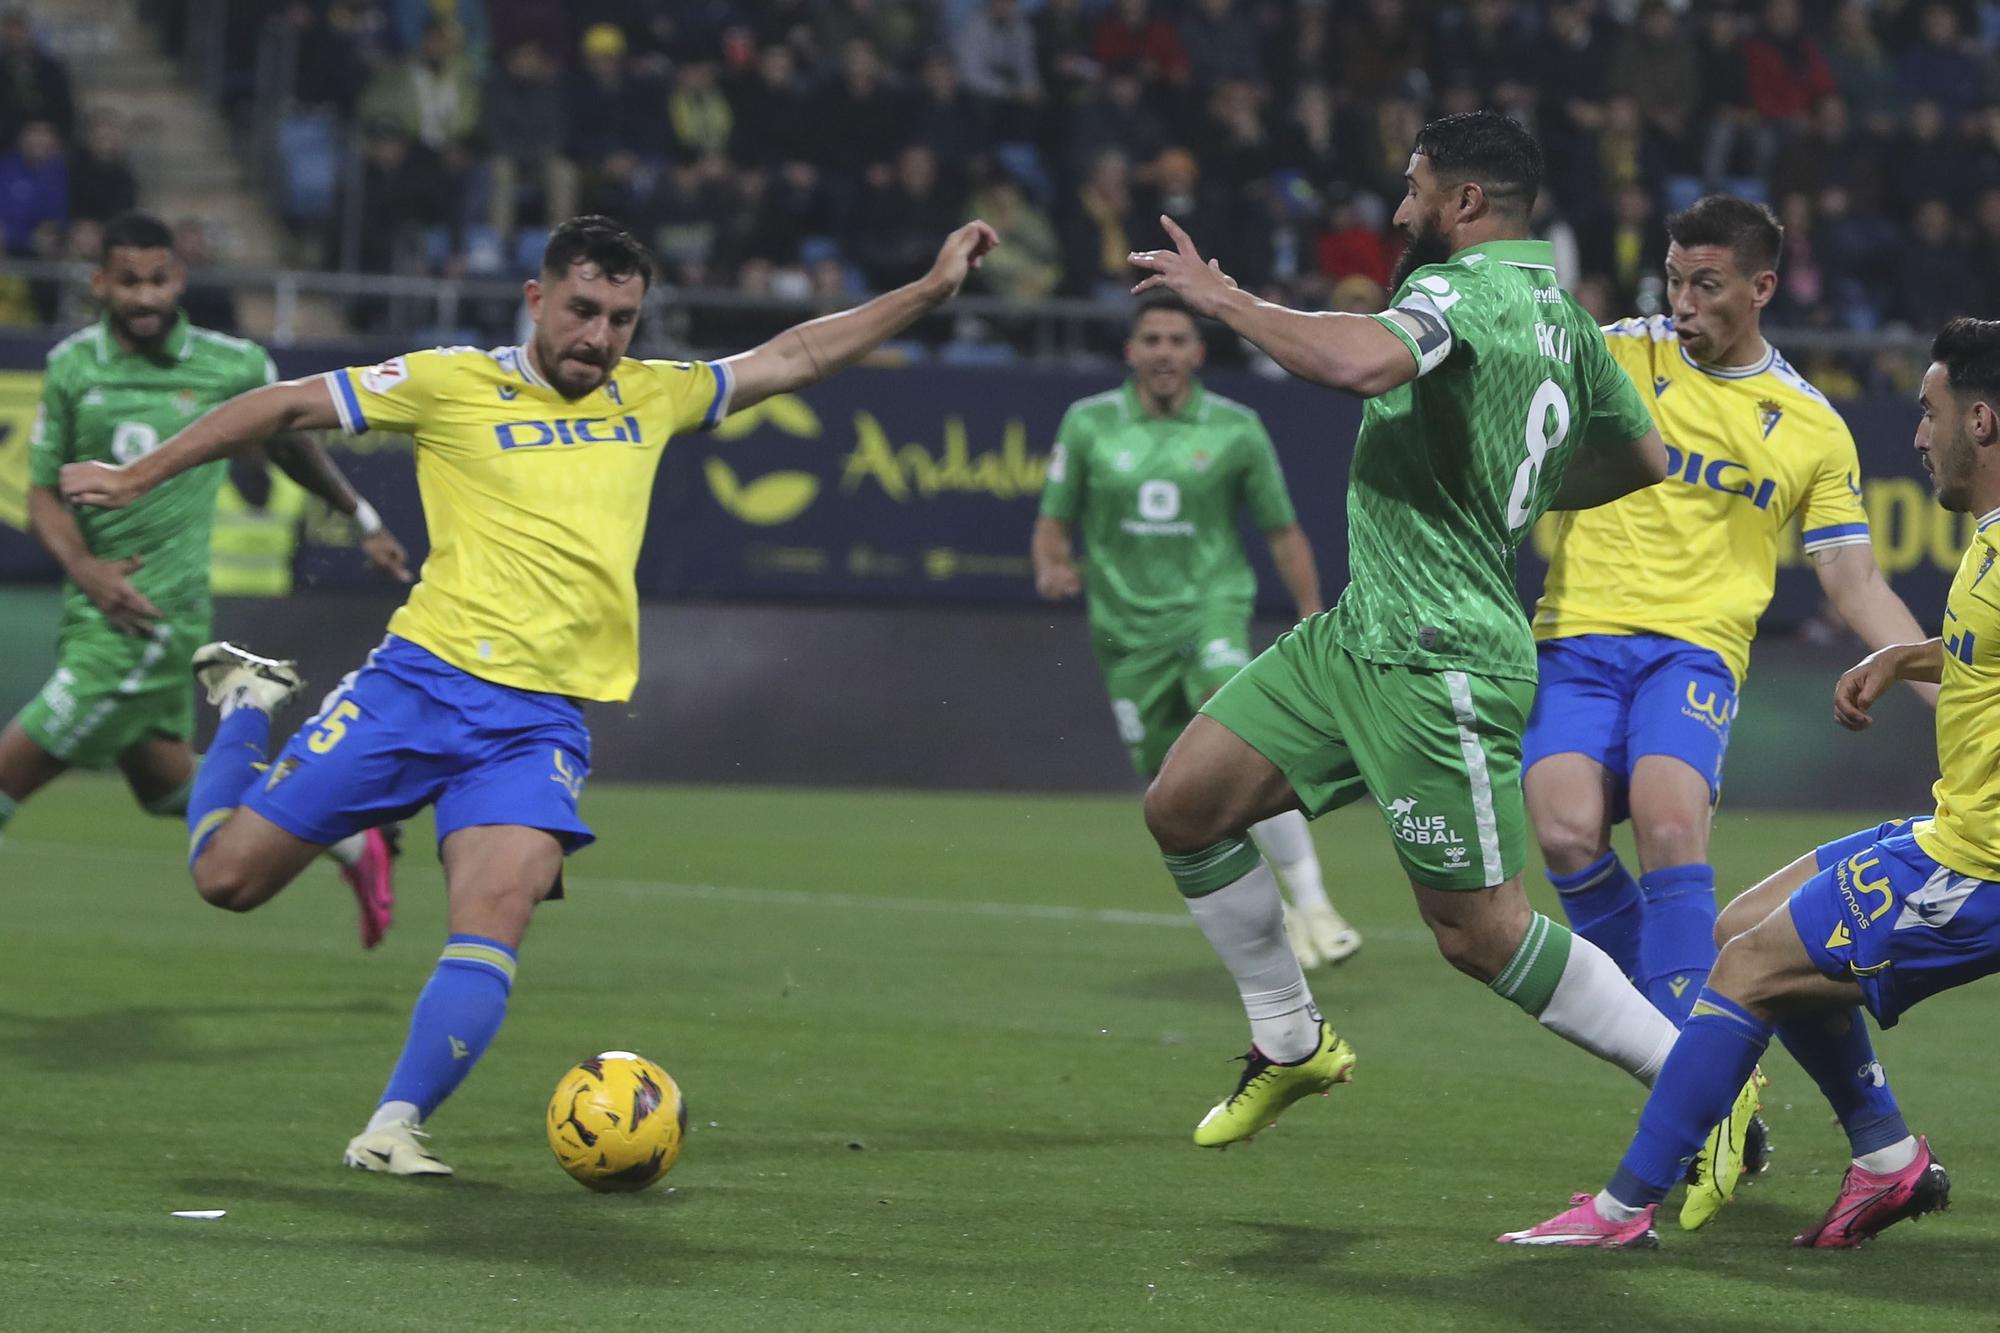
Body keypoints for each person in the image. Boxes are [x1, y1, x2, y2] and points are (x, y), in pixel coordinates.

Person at [59, 213, 999, 1177]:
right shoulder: (449, 381)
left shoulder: (654, 396)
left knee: (497, 909)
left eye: (623, 319)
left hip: (536, 722)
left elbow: (796, 354)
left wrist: (927, 292)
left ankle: (392, 1126)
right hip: (415, 687)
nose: (600, 337)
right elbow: (281, 405)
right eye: (584, 310)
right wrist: (140, 474)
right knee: (227, 880)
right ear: (538, 299)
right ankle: (249, 702)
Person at [1125, 110, 1690, 1151]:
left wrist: (1225, 299)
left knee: (1480, 936)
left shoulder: (1452, 290)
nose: (1399, 207)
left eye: (1413, 185)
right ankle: (1290, 1041)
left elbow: (1359, 367)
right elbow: (1646, 457)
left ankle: (1693, 1087)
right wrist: (1498, 496)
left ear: (1463, 204)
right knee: (1184, 806)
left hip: (1441, 661)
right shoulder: (1561, 318)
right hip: (1356, 631)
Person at [1500, 317, 2000, 1250]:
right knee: (1742, 928)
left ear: (1981, 422)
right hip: (1952, 829)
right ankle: (1888, 1160)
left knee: (1745, 967)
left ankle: (1619, 1210)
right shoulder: (1988, 538)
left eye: (1929, 414)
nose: (1917, 434)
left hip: (1981, 870)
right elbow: (1983, 648)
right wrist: (1905, 659)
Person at [5, 211, 408, 945]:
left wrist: (365, 518)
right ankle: (342, 834)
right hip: (92, 608)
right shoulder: (71, 366)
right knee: (166, 788)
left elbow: (290, 448)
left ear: (179, 279)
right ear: (100, 283)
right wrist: (85, 568)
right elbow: (39, 495)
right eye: (128, 281)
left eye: (159, 279)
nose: (146, 296)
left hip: (146, 625)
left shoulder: (233, 366)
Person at [1033, 292, 1356, 968]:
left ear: (1198, 354)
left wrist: (1308, 609)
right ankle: (1283, 916)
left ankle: (1315, 901)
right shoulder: (1088, 424)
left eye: (1178, 341)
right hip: (1125, 632)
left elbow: (1281, 528)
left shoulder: (1236, 428)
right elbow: (1054, 518)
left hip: (1211, 611)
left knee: (1243, 744)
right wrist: (1052, 562)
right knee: (1176, 791)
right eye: (1151, 340)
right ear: (1131, 351)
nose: (1164, 353)